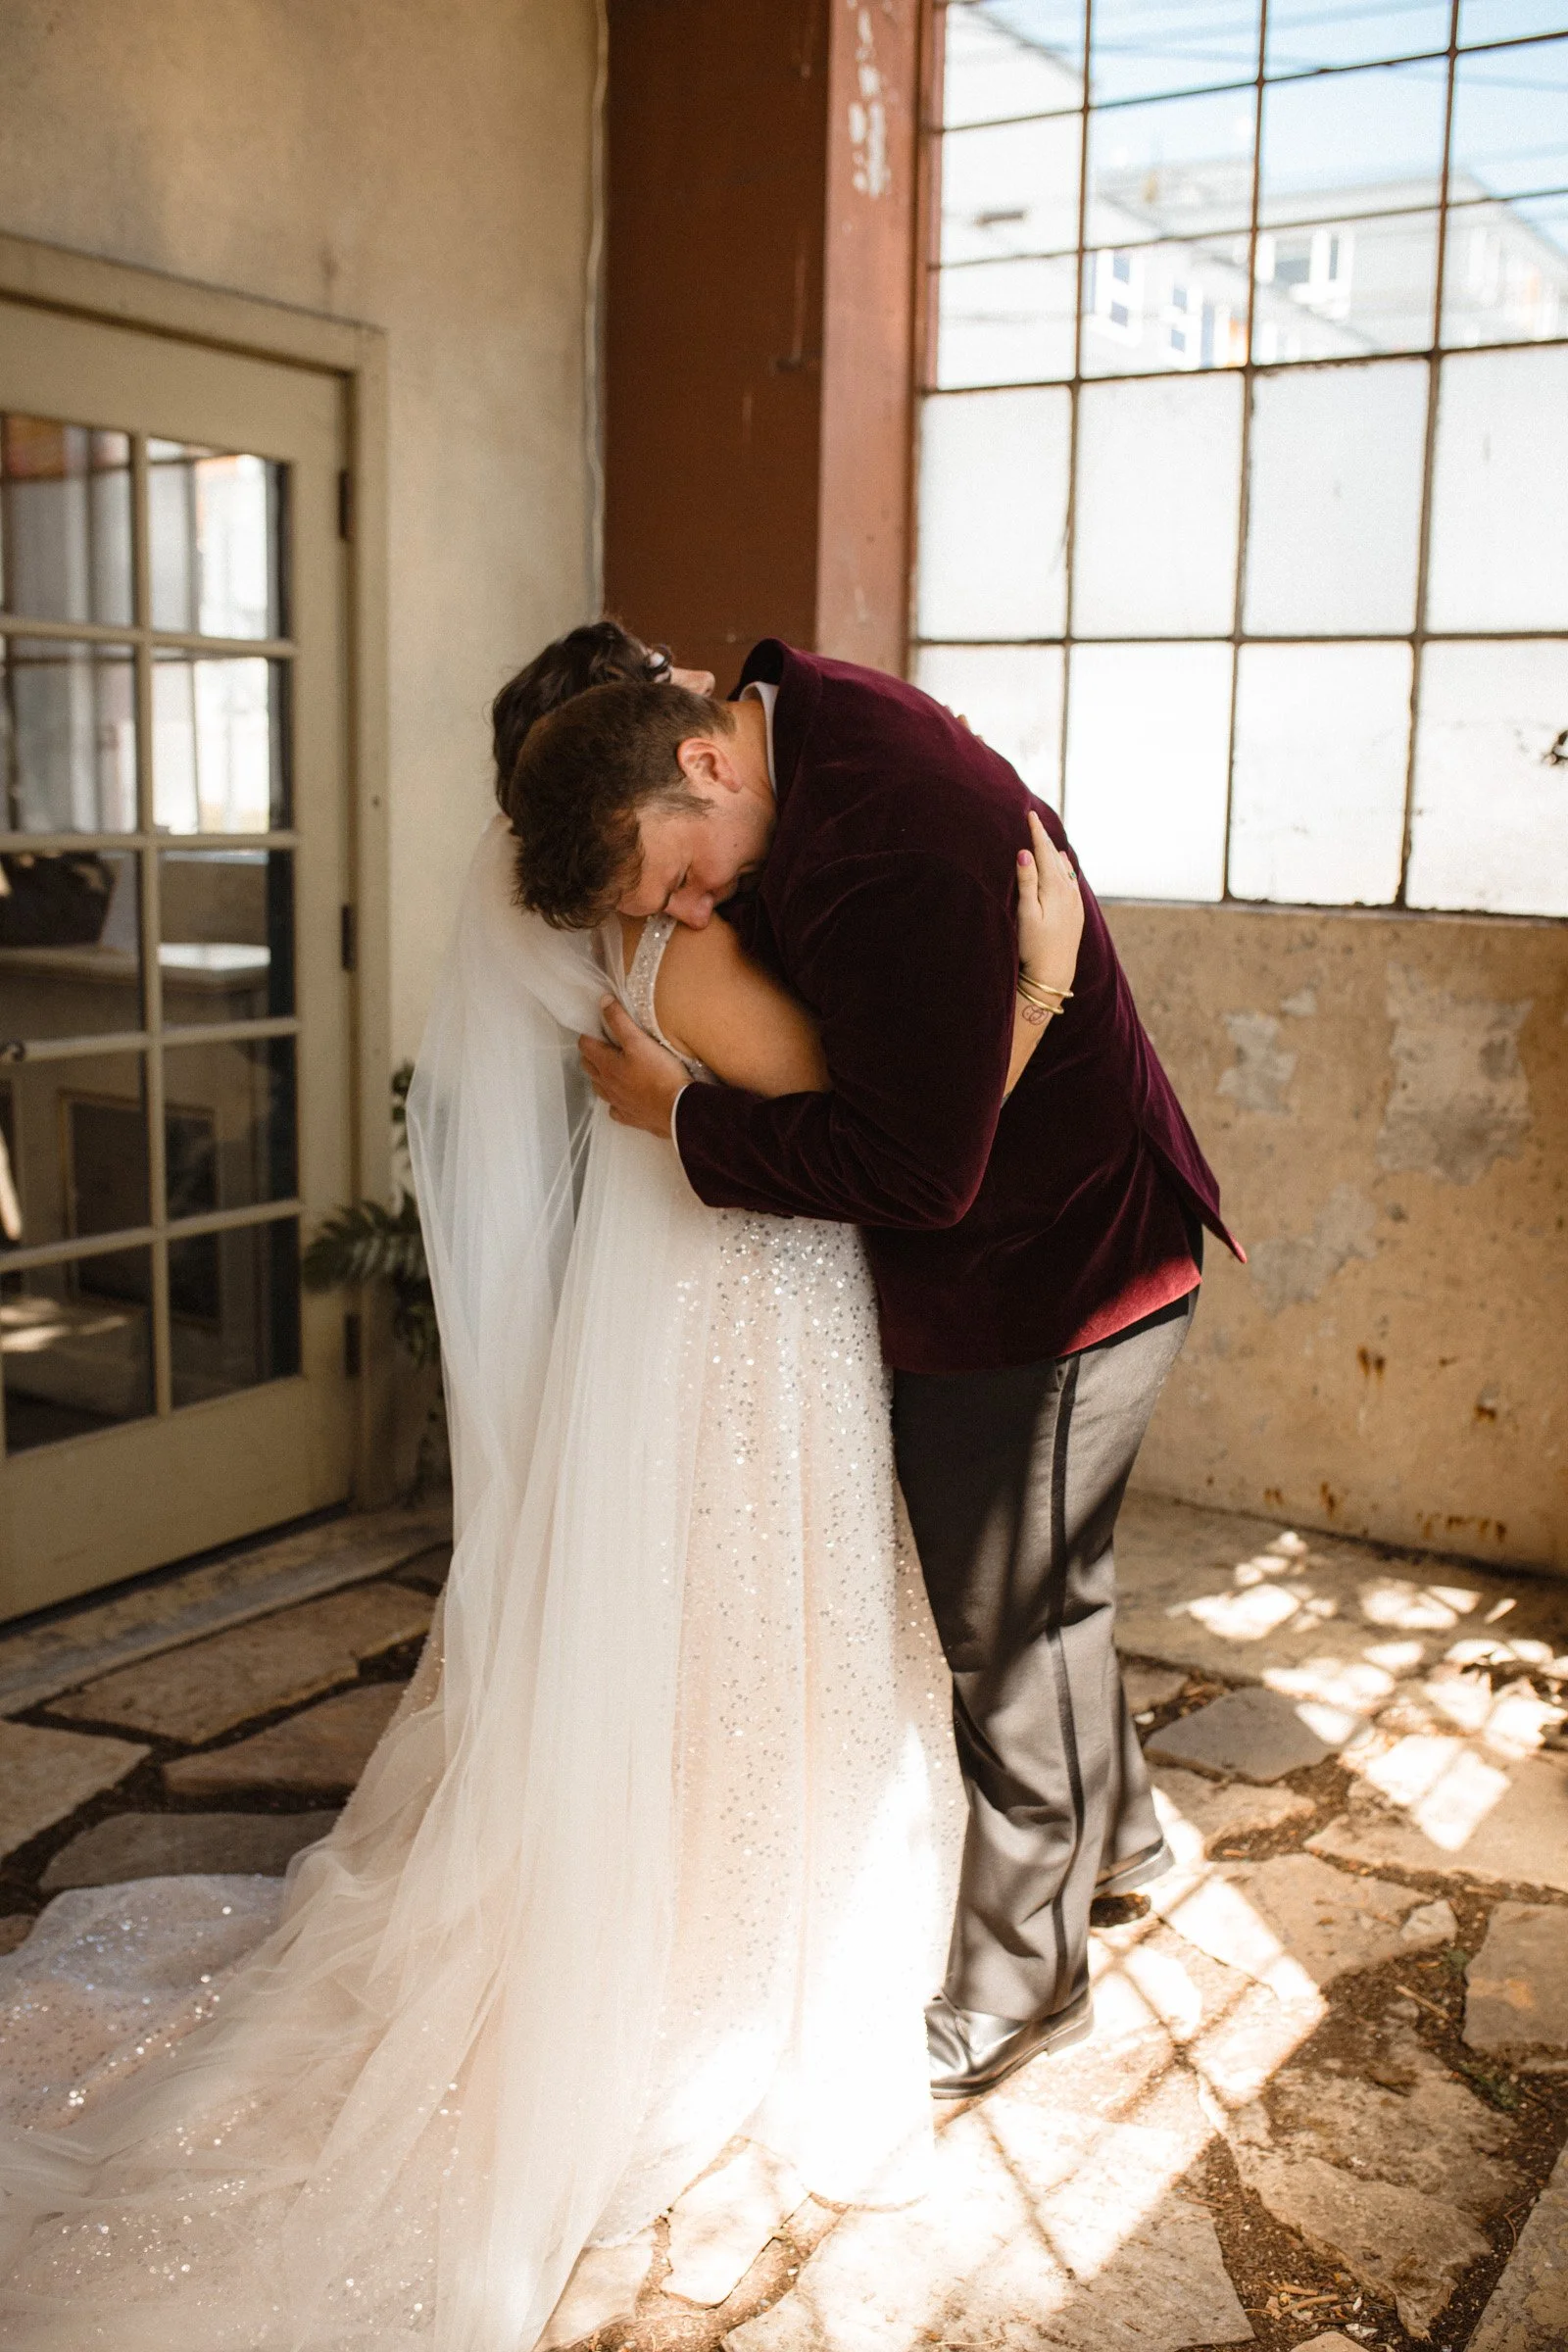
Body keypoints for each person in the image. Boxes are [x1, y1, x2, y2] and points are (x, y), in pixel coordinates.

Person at [0, 625, 1079, 2351]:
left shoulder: (611, 943)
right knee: (760, 1642)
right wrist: (1035, 988)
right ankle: (746, 1953)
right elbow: (903, 1153)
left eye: (678, 871)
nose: (688, 900)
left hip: (699, 1323)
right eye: (662, 877)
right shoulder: (697, 964)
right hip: (758, 1335)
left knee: (706, 1642)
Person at [505, 639, 1243, 2101]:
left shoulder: (885, 840)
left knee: (1002, 1629)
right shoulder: (804, 725)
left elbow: (919, 1171)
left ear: (707, 758)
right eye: (669, 906)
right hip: (1047, 1235)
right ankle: (1128, 1839)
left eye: (678, 877)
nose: (700, 909)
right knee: (1054, 1586)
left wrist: (684, 1124)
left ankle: (1023, 1983)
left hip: (1054, 1271)